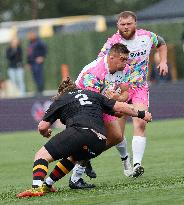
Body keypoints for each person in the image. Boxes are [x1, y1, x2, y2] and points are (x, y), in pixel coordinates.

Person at [16, 77, 152, 198]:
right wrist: (141, 114)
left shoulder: (61, 99)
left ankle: (36, 188)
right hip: (99, 141)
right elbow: (119, 109)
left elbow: (42, 127)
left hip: (79, 131)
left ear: (61, 92)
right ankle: (48, 184)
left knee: (41, 156)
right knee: (73, 157)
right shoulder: (93, 94)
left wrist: (45, 133)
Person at [44, 43, 133, 189]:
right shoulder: (94, 72)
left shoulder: (124, 68)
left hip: (100, 102)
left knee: (116, 136)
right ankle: (76, 171)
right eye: (122, 59)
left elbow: (125, 94)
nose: (125, 63)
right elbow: (91, 101)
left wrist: (117, 97)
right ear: (111, 57)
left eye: (126, 59)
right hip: (83, 107)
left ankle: (82, 162)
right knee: (94, 142)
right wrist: (113, 103)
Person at [97, 11, 168, 177]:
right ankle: (126, 162)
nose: (126, 27)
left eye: (129, 24)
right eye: (122, 24)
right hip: (119, 90)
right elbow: (101, 61)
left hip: (139, 88)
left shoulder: (146, 36)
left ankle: (137, 165)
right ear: (117, 26)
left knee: (140, 123)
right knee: (117, 135)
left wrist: (163, 61)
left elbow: (162, 42)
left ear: (135, 23)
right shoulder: (112, 43)